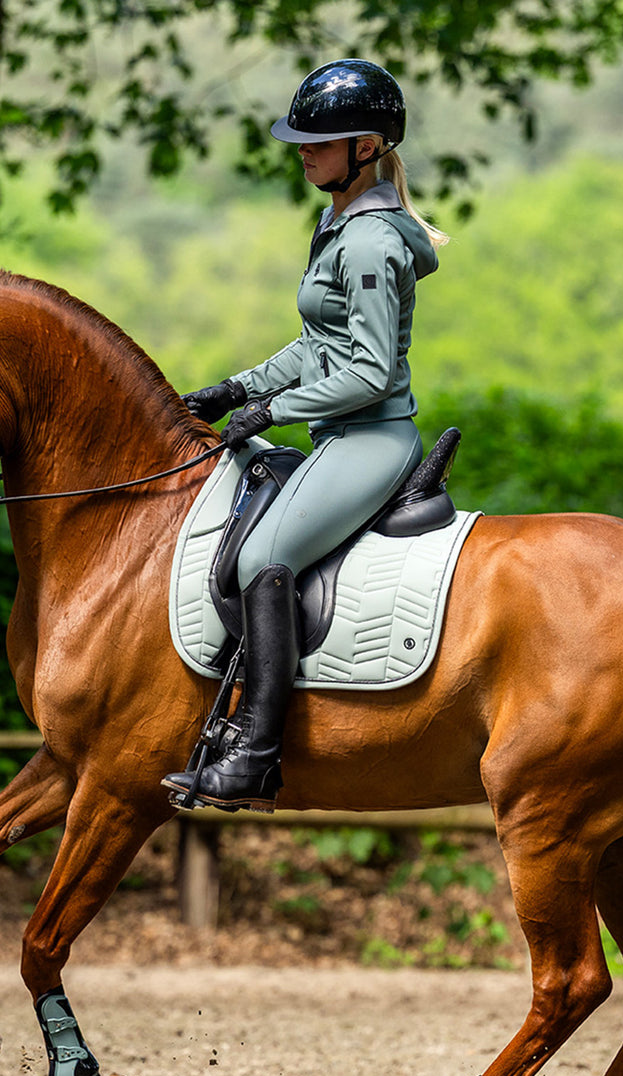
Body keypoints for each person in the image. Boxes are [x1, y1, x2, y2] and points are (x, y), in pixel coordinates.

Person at [163, 58, 448, 811]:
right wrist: (240, 388)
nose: (302, 152)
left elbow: (371, 373)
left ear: (366, 147)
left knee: (263, 554)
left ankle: (255, 753)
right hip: (338, 435)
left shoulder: (372, 243)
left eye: (319, 142)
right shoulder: (336, 224)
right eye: (301, 141)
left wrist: (275, 412)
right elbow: (315, 346)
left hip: (371, 440)